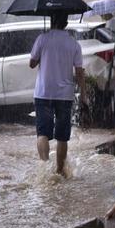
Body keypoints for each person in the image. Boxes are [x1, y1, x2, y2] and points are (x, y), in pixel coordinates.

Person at [29, 12, 87, 175]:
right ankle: (59, 171)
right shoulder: (74, 44)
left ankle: (45, 168)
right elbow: (80, 72)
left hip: (43, 93)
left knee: (43, 133)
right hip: (64, 95)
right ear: (66, 24)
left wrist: (43, 56)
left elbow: (31, 64)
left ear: (51, 21)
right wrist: (84, 95)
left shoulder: (42, 39)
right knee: (62, 136)